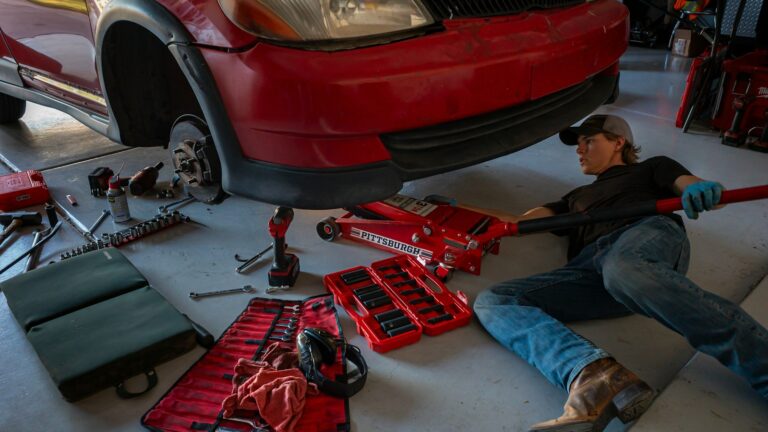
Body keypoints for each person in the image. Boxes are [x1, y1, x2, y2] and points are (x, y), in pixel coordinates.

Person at [471, 114, 768, 432]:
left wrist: (708, 191)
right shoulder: (573, 198)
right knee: (494, 301)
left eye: (589, 140)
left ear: (618, 142)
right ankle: (595, 378)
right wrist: (451, 208)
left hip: (643, 235)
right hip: (591, 268)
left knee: (622, 269)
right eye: (578, 144)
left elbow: (692, 187)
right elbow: (516, 222)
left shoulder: (651, 168)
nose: (579, 150)